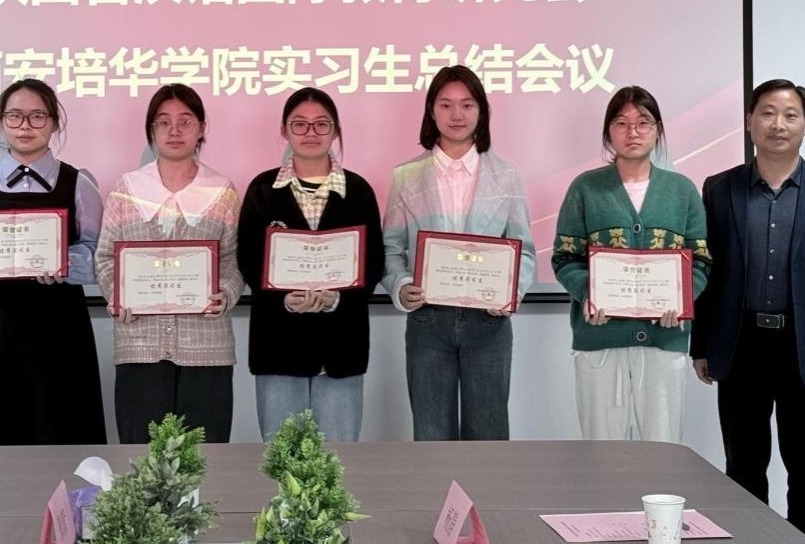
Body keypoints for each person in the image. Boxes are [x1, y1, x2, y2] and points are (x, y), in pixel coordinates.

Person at [690, 79, 805, 544]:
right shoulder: (719, 188)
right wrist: (701, 344)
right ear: (750, 121)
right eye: (767, 113)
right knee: (742, 470)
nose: (778, 124)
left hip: (804, 344)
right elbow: (709, 274)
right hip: (740, 343)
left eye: (790, 115)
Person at [0, 78, 106, 445]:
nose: (25, 126)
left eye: (37, 117)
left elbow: (96, 253)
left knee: (57, 424)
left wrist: (62, 264)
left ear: (54, 123)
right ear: (1, 122)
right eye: (15, 116)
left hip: (58, 325)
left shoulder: (79, 182)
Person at [381, 64, 536, 440]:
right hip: (428, 322)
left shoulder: (507, 175)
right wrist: (401, 285)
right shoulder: (405, 175)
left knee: (489, 437)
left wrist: (510, 292)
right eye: (446, 105)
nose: (456, 114)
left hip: (488, 322)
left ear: (481, 111)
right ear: (431, 111)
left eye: (467, 105)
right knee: (431, 436)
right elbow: (391, 248)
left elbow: (526, 251)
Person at [551, 86, 710, 443]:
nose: (632, 132)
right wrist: (588, 293)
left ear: (658, 129)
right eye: (621, 123)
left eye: (643, 122)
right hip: (600, 339)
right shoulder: (585, 188)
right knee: (601, 453)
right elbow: (565, 256)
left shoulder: (682, 190)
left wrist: (681, 300)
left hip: (664, 338)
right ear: (608, 131)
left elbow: (700, 260)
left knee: (663, 450)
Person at [94, 83, 243, 443]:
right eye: (163, 122)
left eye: (185, 121)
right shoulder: (126, 189)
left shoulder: (222, 191)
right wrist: (117, 295)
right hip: (139, 346)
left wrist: (225, 293)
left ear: (202, 128)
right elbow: (105, 257)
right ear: (151, 130)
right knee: (142, 460)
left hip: (206, 349)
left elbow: (234, 260)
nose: (174, 131)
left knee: (205, 460)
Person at [237, 88, 384, 441]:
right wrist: (284, 300)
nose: (311, 133)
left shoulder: (358, 191)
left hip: (341, 348)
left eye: (321, 124)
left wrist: (337, 299)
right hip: (278, 347)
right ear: (284, 130)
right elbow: (249, 260)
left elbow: (373, 262)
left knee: (338, 460)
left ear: (336, 131)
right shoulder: (262, 189)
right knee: (281, 461)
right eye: (299, 124)